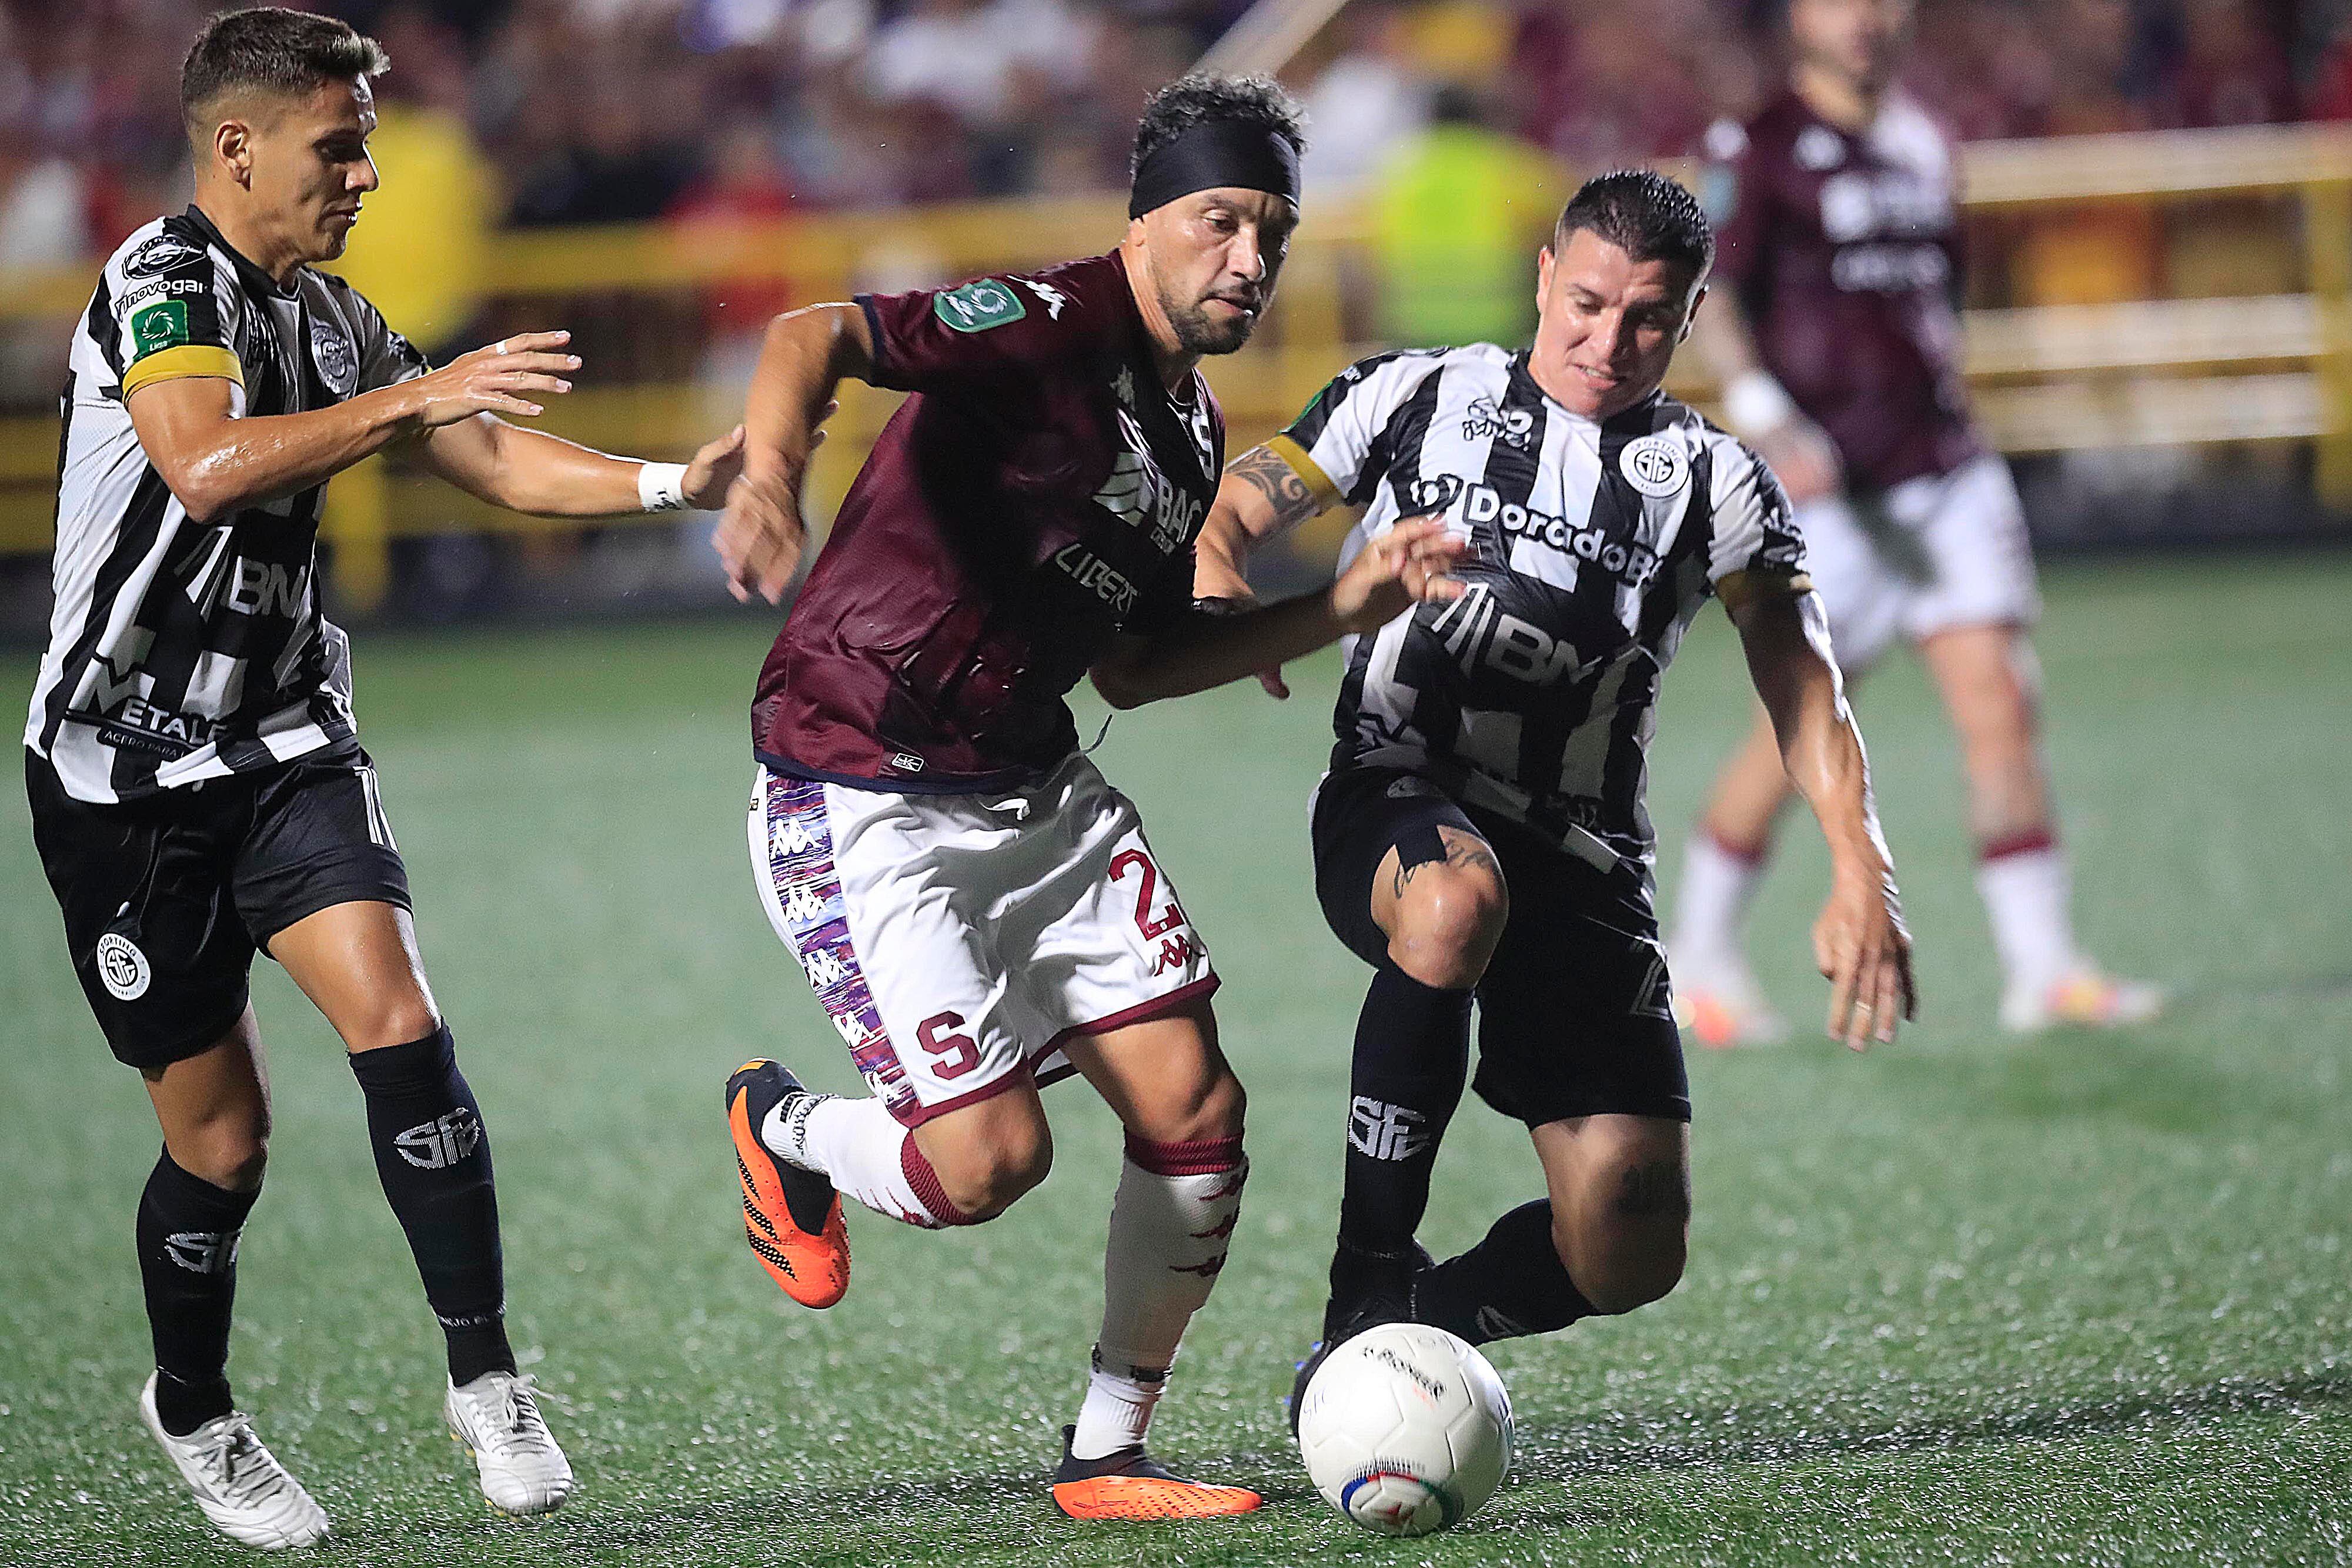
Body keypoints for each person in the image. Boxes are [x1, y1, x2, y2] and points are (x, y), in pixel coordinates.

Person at [24, 8, 747, 1549]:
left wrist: (678, 480)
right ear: (237, 146)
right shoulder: (163, 284)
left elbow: (490, 459)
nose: (363, 172)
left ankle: (485, 1372)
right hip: (121, 778)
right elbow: (205, 462)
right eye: (336, 144)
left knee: (403, 1025)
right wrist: (414, 400)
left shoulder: (333, 315)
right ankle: (195, 1406)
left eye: (364, 140)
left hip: (285, 739)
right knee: (221, 1147)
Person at [713, 75, 1466, 1522]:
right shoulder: (1044, 326)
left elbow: (1131, 661)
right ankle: (784, 1126)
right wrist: (766, 476)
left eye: (1272, 233)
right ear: (1142, 225)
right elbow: (818, 334)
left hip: (1032, 781)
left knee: (1197, 1110)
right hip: (858, 778)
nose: (1247, 259)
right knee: (986, 1163)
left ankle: (1106, 1455)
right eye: (1217, 222)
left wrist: (1343, 601)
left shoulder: (1184, 429)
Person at [1191, 170, 1916, 1404]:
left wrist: (1861, 866)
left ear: (1685, 320)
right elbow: (1241, 503)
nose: (1605, 340)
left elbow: (1803, 683)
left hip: (1581, 856)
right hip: (1396, 787)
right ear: (1542, 277)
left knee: (1628, 1238)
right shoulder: (1412, 392)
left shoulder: (1715, 480)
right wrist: (1220, 589)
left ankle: (1411, 1320)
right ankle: (1365, 1278)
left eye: (1644, 318)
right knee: (1450, 902)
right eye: (1583, 303)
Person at [1669, 0, 2159, 1044]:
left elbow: (1941, 298)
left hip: (1944, 472)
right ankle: (1698, 957)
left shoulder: (1926, 138)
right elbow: (1711, 292)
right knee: (1798, 736)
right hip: (1828, 494)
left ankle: (2043, 969)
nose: (1867, 19)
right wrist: (1766, 417)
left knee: (1999, 700)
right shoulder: (1753, 144)